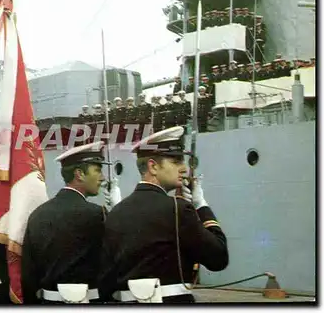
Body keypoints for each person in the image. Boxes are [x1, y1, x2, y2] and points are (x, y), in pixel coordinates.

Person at [98, 126, 229, 304]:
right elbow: (218, 258)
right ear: (153, 166)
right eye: (176, 161)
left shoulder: (115, 213)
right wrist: (201, 205)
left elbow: (105, 281)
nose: (183, 168)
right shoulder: (178, 209)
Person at [21, 141, 111, 304]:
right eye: (97, 170)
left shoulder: (37, 214)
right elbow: (109, 264)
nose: (102, 177)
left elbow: (28, 274)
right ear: (79, 174)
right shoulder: (97, 213)